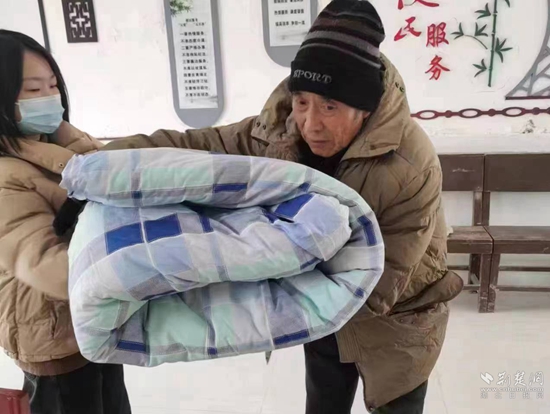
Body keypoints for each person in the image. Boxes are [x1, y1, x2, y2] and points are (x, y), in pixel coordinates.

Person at [100, 1, 463, 412]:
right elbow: (192, 146)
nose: (310, 123)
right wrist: (98, 165)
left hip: (400, 316)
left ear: (364, 108)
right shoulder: (278, 132)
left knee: (397, 404)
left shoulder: (410, 164)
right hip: (320, 308)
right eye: (302, 101)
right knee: (323, 403)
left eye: (330, 106)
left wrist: (268, 307)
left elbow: (383, 281)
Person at [0, 30, 132, 414]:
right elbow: (48, 265)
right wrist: (148, 270)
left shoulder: (57, 145)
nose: (48, 97)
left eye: (53, 85)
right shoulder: (6, 176)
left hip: (93, 324)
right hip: (51, 339)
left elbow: (111, 175)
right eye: (32, 89)